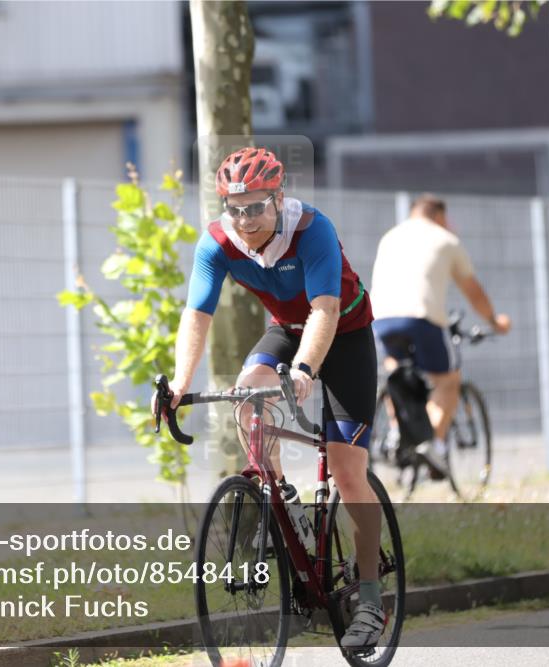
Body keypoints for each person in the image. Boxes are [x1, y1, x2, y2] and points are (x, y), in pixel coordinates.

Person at [157, 147, 386, 648]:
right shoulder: (217, 241)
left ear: (278, 199)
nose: (244, 220)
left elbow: (325, 308)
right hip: (286, 328)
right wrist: (178, 382)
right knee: (246, 396)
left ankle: (370, 598)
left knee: (348, 472)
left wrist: (305, 368)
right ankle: (278, 491)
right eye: (234, 209)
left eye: (255, 207)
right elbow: (197, 315)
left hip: (344, 332)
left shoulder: (311, 229)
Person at [369, 194, 511, 478]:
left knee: (396, 374)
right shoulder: (445, 238)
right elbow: (473, 291)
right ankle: (432, 445)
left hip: (381, 319)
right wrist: (495, 320)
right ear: (440, 216)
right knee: (448, 381)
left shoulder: (390, 237)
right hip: (422, 318)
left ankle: (399, 432)